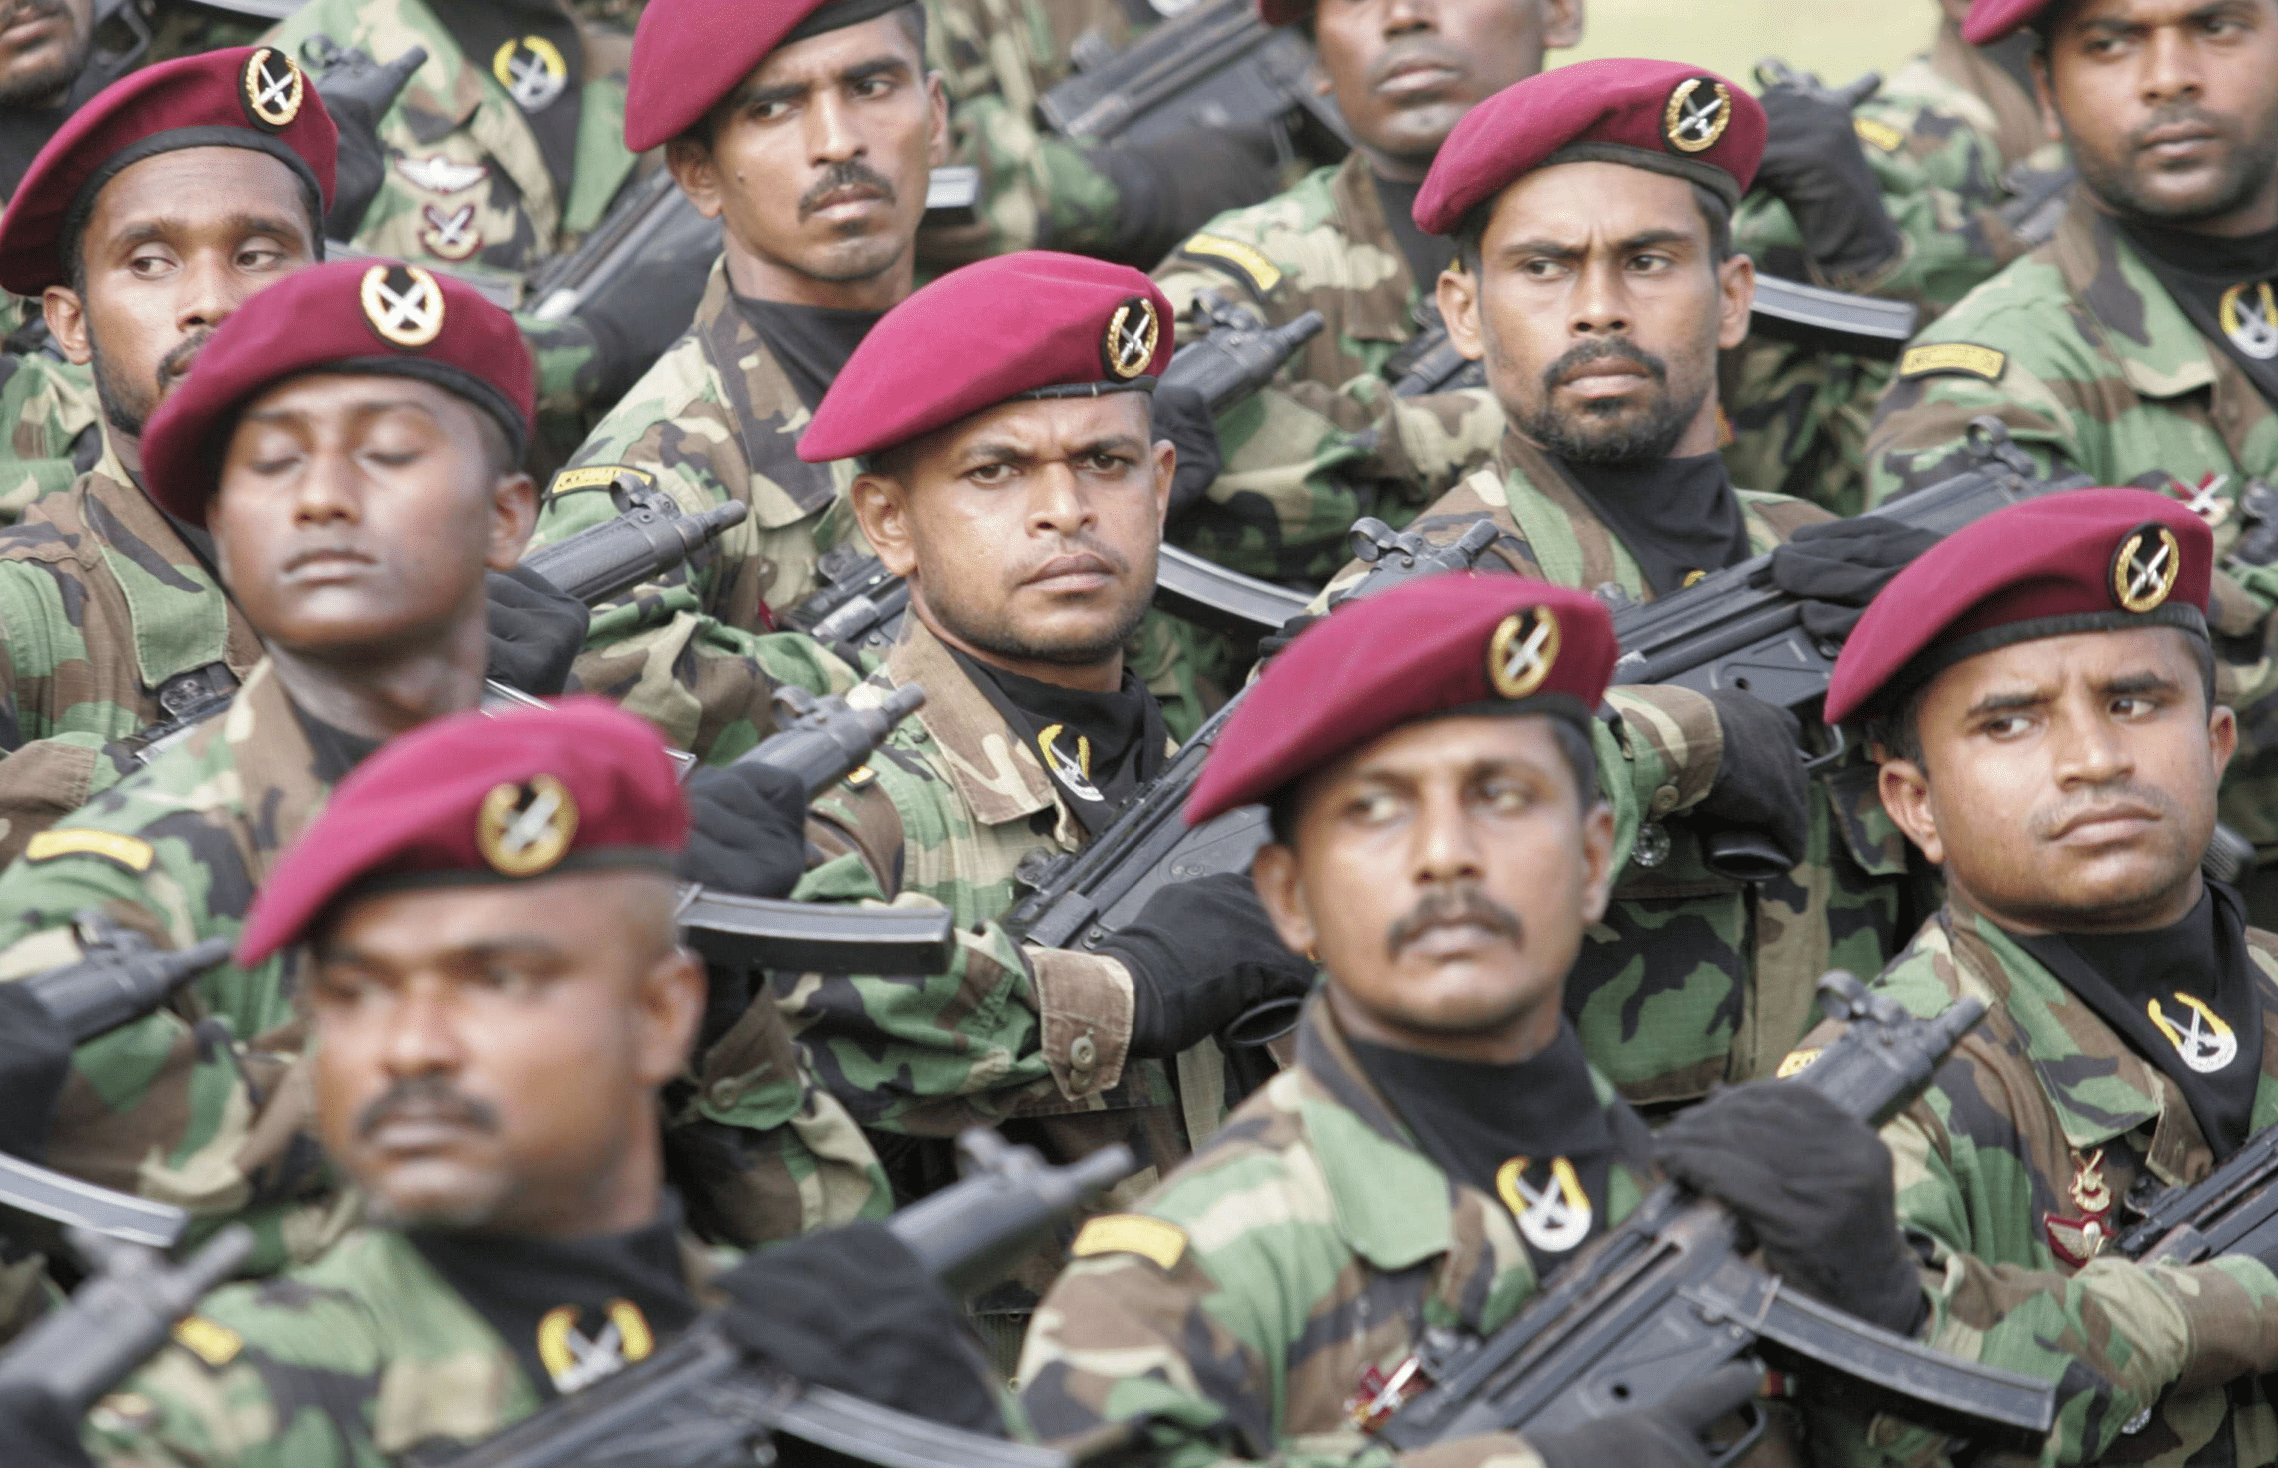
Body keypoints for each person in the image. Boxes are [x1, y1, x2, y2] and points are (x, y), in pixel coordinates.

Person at [0, 257, 879, 1291]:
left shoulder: (605, 831)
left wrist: (722, 1022)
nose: (326, 498)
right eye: (275, 465)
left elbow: (829, 1253)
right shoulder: (102, 897)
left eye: (390, 452)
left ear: (509, 517)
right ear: (227, 534)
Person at [1017, 574, 1923, 1468]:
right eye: (1376, 809)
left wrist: (1888, 1326)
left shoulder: (1735, 1204)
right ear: (1290, 901)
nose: (1446, 856)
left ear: (1594, 857)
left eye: (1501, 796)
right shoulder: (1170, 1288)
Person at [25, 700, 990, 1466]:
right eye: (357, 995)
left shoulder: (828, 1353)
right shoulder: (218, 1415)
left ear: (661, 1013)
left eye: (496, 978)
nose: (412, 1048)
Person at [1300, 58, 1923, 1112]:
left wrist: (1959, 645)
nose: (1597, 309)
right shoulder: (1403, 610)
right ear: (1462, 312)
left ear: (1731, 297)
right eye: (1543, 267)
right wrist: (1689, 737)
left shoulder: (1825, 560)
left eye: (1647, 260)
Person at [752, 249, 1317, 1356]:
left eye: (1103, 461)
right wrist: (1126, 989)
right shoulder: (852, 805)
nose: (1065, 511)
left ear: (1159, 484)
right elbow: (795, 1008)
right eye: (996, 472)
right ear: (887, 521)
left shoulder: (1233, 753)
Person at [1797, 489, 2278, 1467]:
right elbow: (1887, 1407)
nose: (2094, 760)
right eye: (2010, 724)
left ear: (2215, 745)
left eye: (2134, 702)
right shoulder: (1876, 1089)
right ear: (1915, 803)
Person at [1861, 0, 2278, 918]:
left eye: (2216, 26)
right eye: (2111, 42)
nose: (2170, 75)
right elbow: (2078, 708)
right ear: (2046, 91)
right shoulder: (1987, 380)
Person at [521, 0, 946, 753]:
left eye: (872, 86)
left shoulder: (1005, 388)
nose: (839, 140)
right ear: (698, 173)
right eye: (774, 107)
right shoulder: (654, 471)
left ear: (936, 116)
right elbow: (604, 701)